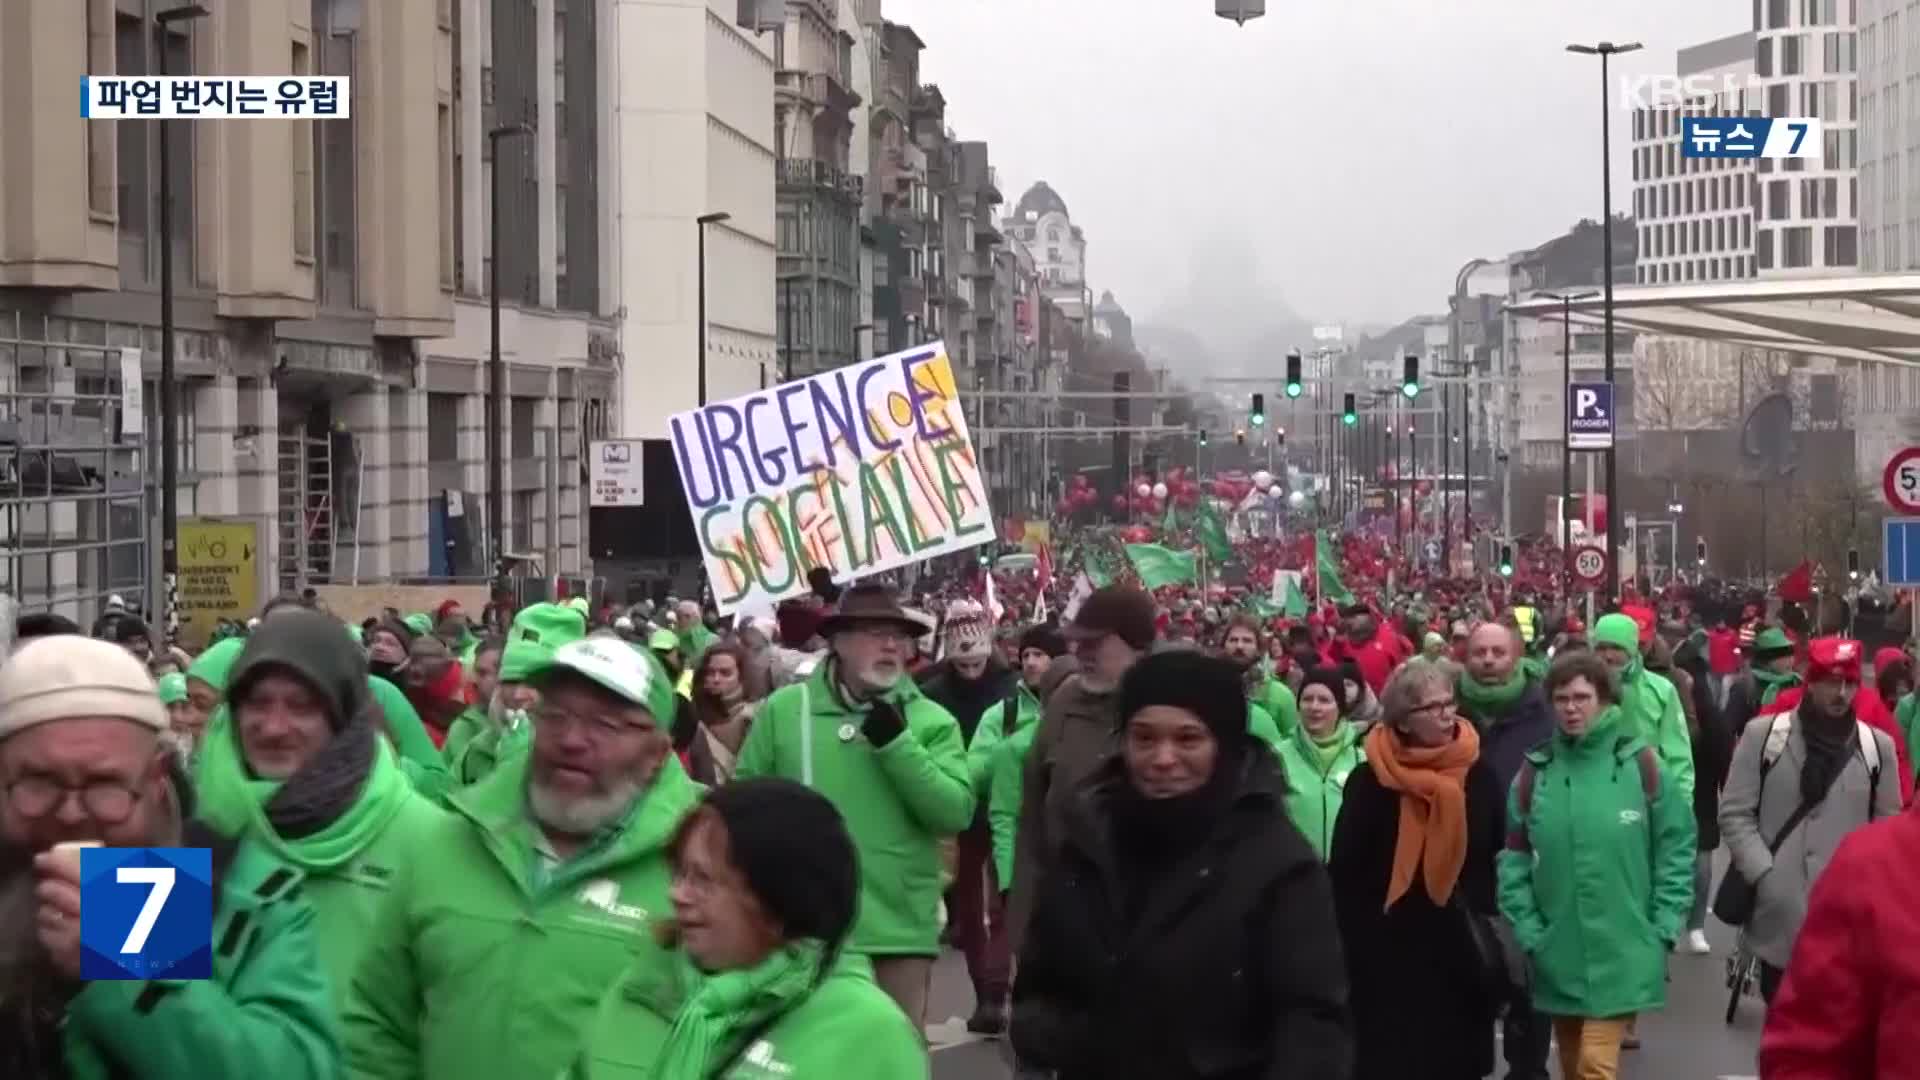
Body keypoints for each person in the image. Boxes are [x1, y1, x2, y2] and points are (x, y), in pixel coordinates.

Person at [343, 638, 700, 1080]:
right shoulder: (448, 839)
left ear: (658, 753)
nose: (571, 739)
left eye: (606, 725)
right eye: (554, 715)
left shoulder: (710, 867)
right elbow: (379, 1023)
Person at [0, 635, 339, 1079]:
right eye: (39, 783)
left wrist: (124, 961)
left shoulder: (236, 889)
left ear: (157, 778)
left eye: (104, 786)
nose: (70, 813)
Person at [1010, 650, 1352, 1079]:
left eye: (1188, 739)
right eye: (1144, 738)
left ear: (1223, 745)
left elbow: (1312, 1022)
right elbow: (1040, 981)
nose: (1163, 758)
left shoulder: (1278, 864)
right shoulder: (1088, 844)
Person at [569, 778, 928, 1079]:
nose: (676, 894)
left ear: (777, 900)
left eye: (703, 879)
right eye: (680, 873)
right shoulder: (644, 985)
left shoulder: (869, 1033)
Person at [734, 583, 975, 1030]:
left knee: (890, 1063)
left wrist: (897, 745)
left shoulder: (930, 721)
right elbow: (742, 809)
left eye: (899, 636)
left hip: (897, 936)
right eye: (873, 633)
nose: (891, 645)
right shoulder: (787, 712)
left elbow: (953, 812)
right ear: (838, 643)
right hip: (804, 933)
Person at [192, 610, 449, 1012]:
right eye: (257, 703)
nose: (274, 727)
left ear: (343, 716)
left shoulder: (430, 840)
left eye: (302, 706)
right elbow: (128, 1014)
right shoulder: (184, 824)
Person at [1498, 651, 1695, 1080]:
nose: (1572, 708)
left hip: (1625, 946)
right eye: (1562, 698)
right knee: (1572, 1064)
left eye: (1583, 697)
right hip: (1557, 948)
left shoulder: (1642, 766)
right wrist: (1531, 932)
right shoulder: (1534, 775)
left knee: (1594, 1065)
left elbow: (1677, 845)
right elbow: (1513, 858)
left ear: (1606, 701)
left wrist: (1662, 924)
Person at [1330, 657, 1505, 1080]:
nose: (1447, 714)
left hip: (1457, 952)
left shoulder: (1478, 775)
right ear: (1404, 721)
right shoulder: (1369, 781)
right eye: (1432, 707)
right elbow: (1346, 873)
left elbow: (1494, 855)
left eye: (1449, 702)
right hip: (1384, 957)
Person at [1717, 637, 1899, 1003]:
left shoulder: (1877, 748)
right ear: (1810, 682)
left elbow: (1888, 829)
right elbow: (1736, 812)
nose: (1842, 693)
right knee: (1784, 1032)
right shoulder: (1763, 736)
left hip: (1847, 920)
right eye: (1832, 682)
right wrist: (1765, 872)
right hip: (1780, 917)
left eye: (1850, 683)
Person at [1009, 586, 1155, 955]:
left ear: (1135, 642)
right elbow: (1032, 827)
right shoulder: (1065, 703)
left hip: (1153, 928)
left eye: (1095, 642)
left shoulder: (1177, 701)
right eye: (1077, 642)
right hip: (1070, 926)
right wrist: (1022, 935)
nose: (1081, 653)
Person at [1757, 800, 1920, 1078]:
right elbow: (1806, 1055)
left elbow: (1886, 806)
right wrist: (1763, 873)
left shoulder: (1876, 756)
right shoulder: (1871, 865)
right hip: (1792, 894)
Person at [915, 601, 1017, 1034]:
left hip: (1010, 809)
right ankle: (987, 993)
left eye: (976, 651)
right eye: (961, 650)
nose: (970, 660)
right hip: (961, 813)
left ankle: (1009, 986)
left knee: (1009, 903)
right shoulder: (930, 692)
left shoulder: (1012, 690)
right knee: (974, 909)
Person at [1591, 612, 1695, 800]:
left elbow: (1678, 758)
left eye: (1616, 648)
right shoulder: (1582, 689)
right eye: (1601, 648)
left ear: (1631, 649)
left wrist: (1681, 806)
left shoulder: (1661, 690)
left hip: (1648, 798)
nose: (1607, 655)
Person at [1277, 666, 1363, 859]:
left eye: (1324, 700)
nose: (1314, 707)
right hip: (1292, 875)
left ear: (1339, 707)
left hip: (1345, 875)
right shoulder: (1276, 756)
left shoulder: (1361, 761)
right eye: (1307, 699)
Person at [683, 642, 760, 786]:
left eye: (725, 673)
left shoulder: (757, 715)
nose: (716, 679)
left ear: (742, 676)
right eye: (710, 673)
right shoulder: (692, 717)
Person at [1222, 614, 1300, 739]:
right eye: (1233, 640)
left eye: (1247, 640)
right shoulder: (1210, 692)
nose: (1239, 646)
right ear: (1223, 646)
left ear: (1259, 648)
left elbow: (1292, 746)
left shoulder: (1281, 696)